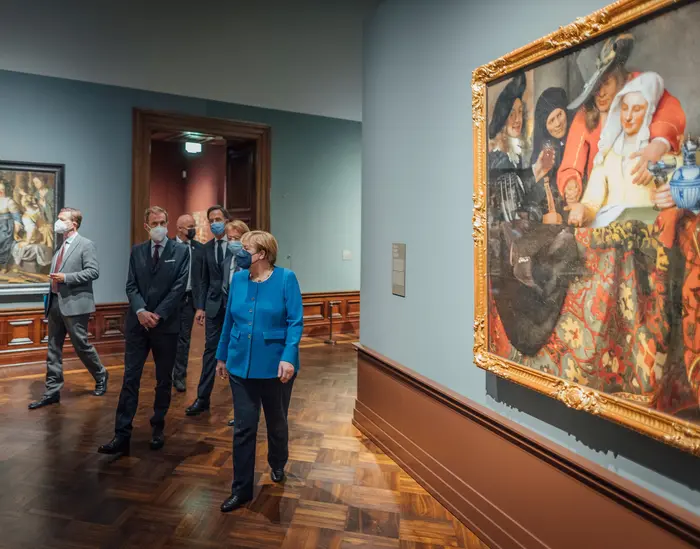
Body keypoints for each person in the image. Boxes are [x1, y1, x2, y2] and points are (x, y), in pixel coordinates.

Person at [216, 230, 303, 513]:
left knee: (276, 422)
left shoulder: (285, 278)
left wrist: (289, 357)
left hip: (276, 367)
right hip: (241, 365)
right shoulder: (238, 279)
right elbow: (228, 321)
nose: (239, 252)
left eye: (245, 248)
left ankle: (278, 463)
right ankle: (240, 489)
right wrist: (221, 357)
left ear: (262, 254)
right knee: (244, 427)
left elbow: (295, 322)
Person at [98, 206, 189, 456]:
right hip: (138, 325)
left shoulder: (181, 251)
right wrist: (140, 311)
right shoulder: (137, 251)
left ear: (168, 223)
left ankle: (157, 426)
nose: (159, 226)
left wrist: (157, 314)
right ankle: (121, 434)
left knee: (163, 380)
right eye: (154, 223)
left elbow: (179, 288)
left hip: (166, 326)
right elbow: (131, 285)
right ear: (147, 227)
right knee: (130, 379)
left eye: (162, 221)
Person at [558, 33, 686, 204]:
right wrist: (570, 182)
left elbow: (670, 110)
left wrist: (657, 145)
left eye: (606, 83)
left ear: (619, 79)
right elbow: (571, 162)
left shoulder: (639, 86)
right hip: (603, 201)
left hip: (646, 195)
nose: (601, 93)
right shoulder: (586, 114)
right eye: (595, 88)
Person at [567, 72, 672, 228]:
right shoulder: (607, 156)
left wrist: (673, 197)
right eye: (624, 108)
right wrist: (582, 211)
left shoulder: (660, 153)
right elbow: (591, 204)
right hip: (611, 232)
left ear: (649, 112)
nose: (628, 117)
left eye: (636, 109)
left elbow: (681, 193)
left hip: (648, 231)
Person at [28, 207, 109, 409]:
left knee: (81, 345)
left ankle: (101, 374)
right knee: (53, 349)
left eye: (62, 219)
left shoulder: (86, 245)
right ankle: (52, 391)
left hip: (75, 305)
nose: (58, 222)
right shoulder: (60, 245)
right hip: (55, 303)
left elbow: (93, 271)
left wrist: (67, 278)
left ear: (74, 223)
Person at [185, 205, 233, 417]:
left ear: (226, 220)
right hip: (213, 307)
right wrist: (200, 307)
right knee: (210, 352)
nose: (215, 223)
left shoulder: (238, 246)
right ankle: (202, 398)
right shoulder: (205, 249)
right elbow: (201, 281)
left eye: (218, 218)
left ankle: (240, 404)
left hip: (236, 307)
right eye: (211, 219)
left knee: (238, 353)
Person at [172, 213, 204, 392]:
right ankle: (165, 373)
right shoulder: (168, 246)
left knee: (184, 340)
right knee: (168, 339)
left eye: (194, 226)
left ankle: (179, 376)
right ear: (180, 228)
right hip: (170, 301)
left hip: (189, 299)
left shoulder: (199, 249)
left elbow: (203, 279)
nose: (193, 229)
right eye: (190, 226)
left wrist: (201, 306)